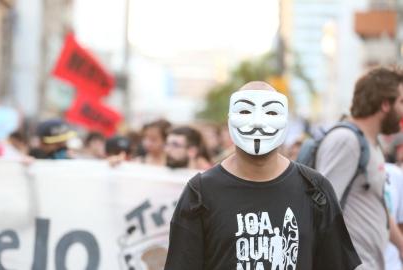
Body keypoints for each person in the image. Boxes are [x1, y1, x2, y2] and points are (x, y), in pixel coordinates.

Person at [165, 81, 361, 270]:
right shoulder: (201, 192)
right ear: (230, 118)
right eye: (245, 111)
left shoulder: (315, 189)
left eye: (270, 112)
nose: (257, 123)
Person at [315, 67, 403, 270]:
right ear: (385, 104)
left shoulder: (370, 143)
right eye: (401, 102)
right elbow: (322, 209)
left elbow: (379, 205)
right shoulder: (346, 141)